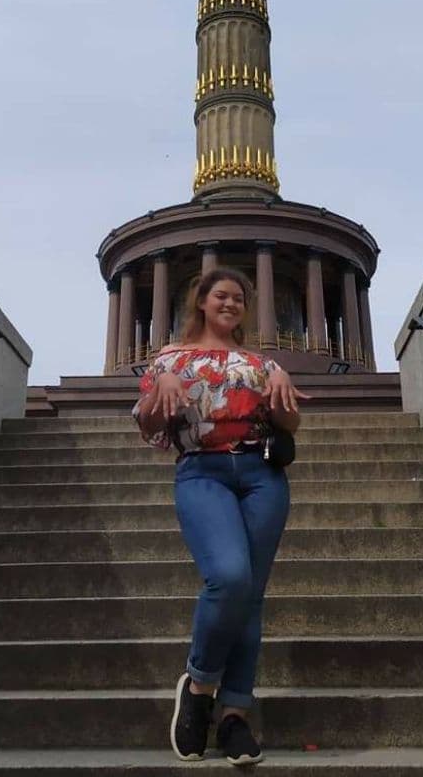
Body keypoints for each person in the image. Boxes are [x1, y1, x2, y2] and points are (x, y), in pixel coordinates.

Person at [133, 266, 307, 767]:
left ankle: (234, 715)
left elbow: (289, 421)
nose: (230, 304)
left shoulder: (259, 363)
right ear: (203, 303)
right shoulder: (169, 359)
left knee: (251, 595)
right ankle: (200, 682)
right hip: (202, 472)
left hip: (262, 475)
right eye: (221, 296)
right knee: (228, 578)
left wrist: (280, 383)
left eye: (238, 299)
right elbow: (147, 424)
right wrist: (159, 387)